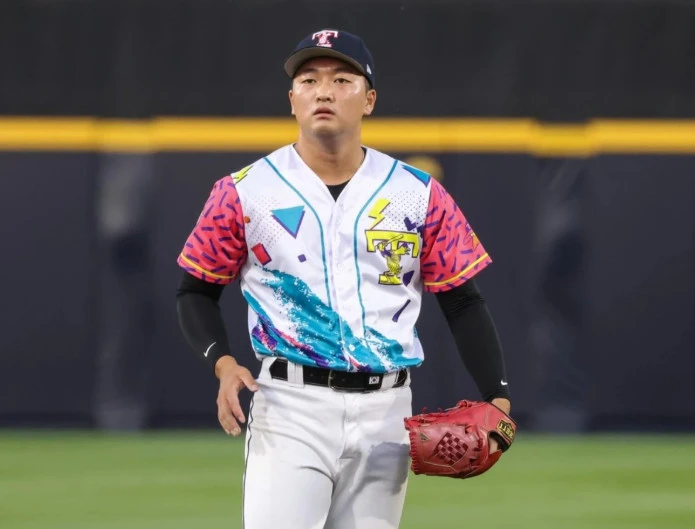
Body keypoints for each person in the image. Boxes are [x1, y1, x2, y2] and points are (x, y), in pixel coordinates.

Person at [176, 29, 511, 529]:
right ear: (292, 100)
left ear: (369, 100)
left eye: (341, 80)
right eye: (309, 80)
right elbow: (195, 291)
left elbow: (463, 301)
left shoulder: (418, 193)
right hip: (290, 406)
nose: (324, 92)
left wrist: (497, 396)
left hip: (387, 413)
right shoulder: (243, 192)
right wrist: (222, 363)